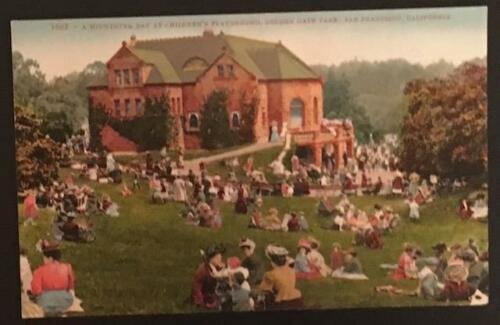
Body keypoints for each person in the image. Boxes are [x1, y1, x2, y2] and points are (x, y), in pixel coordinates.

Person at [31, 240, 75, 315]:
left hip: (45, 302)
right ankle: (61, 310)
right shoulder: (67, 267)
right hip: (65, 301)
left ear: (50, 258)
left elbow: (36, 290)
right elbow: (71, 286)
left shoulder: (39, 271)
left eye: (44, 258)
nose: (43, 260)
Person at [258, 245, 303, 310]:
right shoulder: (291, 271)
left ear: (272, 261)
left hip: (282, 304)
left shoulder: (270, 274)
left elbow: (264, 292)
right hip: (298, 300)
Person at [191, 244, 226, 310]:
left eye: (220, 256)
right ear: (210, 259)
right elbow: (196, 288)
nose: (220, 259)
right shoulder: (202, 270)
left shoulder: (219, 267)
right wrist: (201, 302)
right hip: (206, 295)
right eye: (217, 258)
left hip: (216, 292)